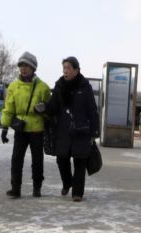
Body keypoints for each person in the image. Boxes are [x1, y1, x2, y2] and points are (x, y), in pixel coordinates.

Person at [36, 56, 99, 202]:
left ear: (77, 70)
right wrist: (44, 107)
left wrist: (94, 131)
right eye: (64, 68)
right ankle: (67, 182)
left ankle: (77, 193)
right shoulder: (59, 87)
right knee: (61, 159)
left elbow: (92, 110)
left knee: (80, 162)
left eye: (69, 68)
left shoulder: (85, 87)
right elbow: (53, 106)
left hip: (81, 130)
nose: (65, 71)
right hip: (63, 130)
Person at [1, 51, 52, 198]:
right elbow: (8, 108)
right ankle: (15, 188)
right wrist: (4, 127)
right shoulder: (13, 87)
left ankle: (37, 188)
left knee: (37, 161)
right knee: (16, 159)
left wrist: (44, 109)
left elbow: (50, 109)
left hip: (37, 129)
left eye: (27, 66)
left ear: (33, 68)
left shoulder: (43, 87)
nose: (23, 68)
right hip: (20, 128)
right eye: (21, 65)